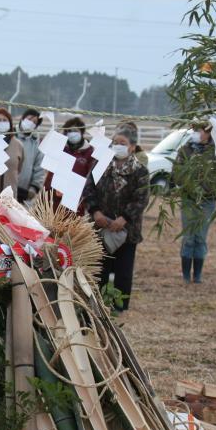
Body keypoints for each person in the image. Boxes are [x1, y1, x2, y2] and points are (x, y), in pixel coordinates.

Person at [84, 125, 149, 312]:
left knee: (123, 270)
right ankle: (99, 303)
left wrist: (124, 218)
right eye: (115, 142)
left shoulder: (140, 171)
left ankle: (120, 305)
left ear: (132, 147)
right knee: (101, 267)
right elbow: (89, 189)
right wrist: (95, 212)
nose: (118, 146)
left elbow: (141, 198)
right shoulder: (101, 165)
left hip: (127, 230)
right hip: (101, 225)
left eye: (123, 143)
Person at [172, 122, 216, 284]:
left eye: (199, 130)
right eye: (194, 130)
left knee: (200, 236)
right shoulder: (185, 151)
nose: (196, 133)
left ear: (208, 133)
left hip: (207, 201)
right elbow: (176, 174)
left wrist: (205, 186)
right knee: (188, 236)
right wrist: (191, 184)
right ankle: (186, 274)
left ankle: (198, 274)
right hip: (189, 199)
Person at [43, 115, 94, 212]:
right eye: (69, 131)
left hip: (75, 202)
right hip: (53, 200)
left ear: (82, 132)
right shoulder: (59, 148)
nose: (72, 134)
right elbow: (50, 174)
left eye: (75, 131)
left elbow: (89, 180)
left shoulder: (89, 152)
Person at [14, 108, 46, 202]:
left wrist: (33, 188)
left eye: (34, 122)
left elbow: (39, 168)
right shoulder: (10, 135)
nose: (31, 122)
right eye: (29, 119)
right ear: (23, 118)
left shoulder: (35, 144)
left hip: (24, 193)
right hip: (4, 188)